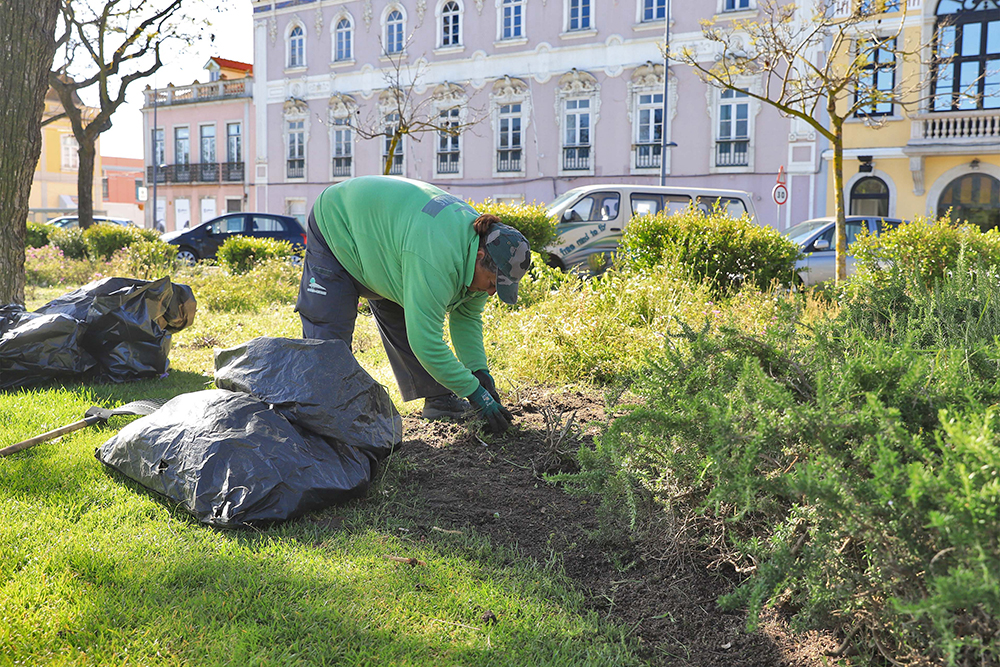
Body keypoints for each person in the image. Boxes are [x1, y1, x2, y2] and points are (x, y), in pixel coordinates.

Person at [295, 175, 531, 432]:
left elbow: (467, 318)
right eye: (493, 283)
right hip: (338, 221)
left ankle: (439, 400)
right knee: (329, 341)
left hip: (388, 248)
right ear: (480, 256)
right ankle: (324, 419)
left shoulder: (479, 248)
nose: (493, 292)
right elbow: (426, 344)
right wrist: (474, 393)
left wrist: (479, 372)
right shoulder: (436, 258)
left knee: (412, 316)